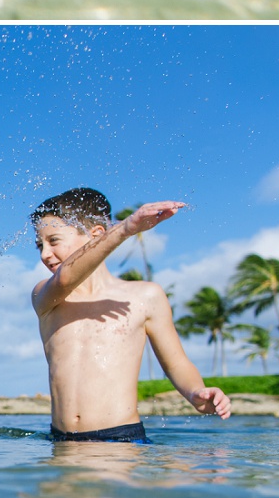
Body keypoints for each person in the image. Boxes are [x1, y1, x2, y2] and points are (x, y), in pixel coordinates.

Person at [31, 188, 232, 443]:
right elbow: (66, 278)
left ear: (96, 236)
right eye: (39, 245)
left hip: (121, 440)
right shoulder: (46, 296)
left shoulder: (145, 296)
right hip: (61, 441)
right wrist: (126, 228)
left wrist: (196, 392)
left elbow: (175, 363)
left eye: (54, 241)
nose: (44, 254)